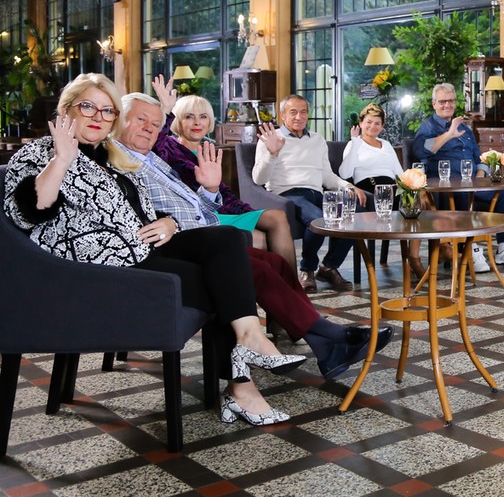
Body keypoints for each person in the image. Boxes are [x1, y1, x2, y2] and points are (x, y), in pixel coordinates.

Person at [3, 73, 305, 426]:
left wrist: (169, 223)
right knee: (217, 279)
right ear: (66, 109)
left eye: (107, 110)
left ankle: (250, 339)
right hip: (92, 270)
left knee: (227, 238)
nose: (99, 116)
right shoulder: (40, 153)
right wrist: (61, 160)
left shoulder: (112, 155)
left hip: (140, 248)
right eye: (88, 107)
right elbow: (30, 211)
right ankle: (243, 388)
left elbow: (140, 210)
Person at [116, 91, 393, 380]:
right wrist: (175, 220)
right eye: (141, 120)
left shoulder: (152, 159)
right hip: (174, 243)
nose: (149, 128)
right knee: (254, 258)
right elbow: (152, 213)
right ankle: (330, 337)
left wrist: (210, 191)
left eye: (154, 123)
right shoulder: (130, 157)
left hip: (201, 227)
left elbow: (196, 205)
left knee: (275, 262)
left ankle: (324, 343)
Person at [147, 80, 296, 270]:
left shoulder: (207, 149)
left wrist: (246, 210)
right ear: (178, 121)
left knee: (277, 217)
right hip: (197, 214)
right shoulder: (168, 146)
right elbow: (155, 142)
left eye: (203, 117)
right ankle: (282, 285)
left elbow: (224, 193)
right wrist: (166, 110)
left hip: (223, 209)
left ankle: (291, 285)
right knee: (262, 238)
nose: (197, 122)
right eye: (189, 117)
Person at [253, 94, 366, 292]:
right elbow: (258, 179)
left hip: (316, 192)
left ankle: (329, 267)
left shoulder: (317, 140)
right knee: (318, 219)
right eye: (293, 112)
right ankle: (307, 270)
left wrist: (348, 186)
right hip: (287, 195)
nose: (299, 117)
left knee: (353, 214)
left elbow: (327, 176)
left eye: (303, 112)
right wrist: (272, 154)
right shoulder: (270, 139)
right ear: (282, 115)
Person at [412, 82, 504, 272]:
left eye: (450, 101)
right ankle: (469, 247)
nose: (447, 105)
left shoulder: (465, 129)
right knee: (462, 193)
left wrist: (480, 177)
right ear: (434, 104)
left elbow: (478, 157)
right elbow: (419, 151)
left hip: (472, 180)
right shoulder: (428, 127)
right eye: (442, 101)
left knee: (503, 193)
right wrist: (449, 134)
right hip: (447, 185)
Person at [338, 103, 422, 274]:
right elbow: (344, 173)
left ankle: (414, 257)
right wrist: (354, 142)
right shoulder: (354, 144)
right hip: (370, 189)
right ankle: (413, 258)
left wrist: (414, 188)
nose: (373, 126)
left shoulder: (386, 144)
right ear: (360, 123)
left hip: (393, 188)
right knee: (408, 206)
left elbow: (399, 174)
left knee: (418, 205)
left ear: (382, 126)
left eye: (377, 123)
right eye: (369, 122)